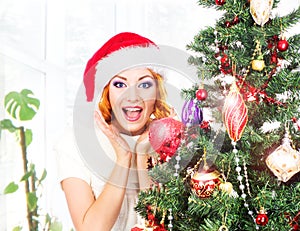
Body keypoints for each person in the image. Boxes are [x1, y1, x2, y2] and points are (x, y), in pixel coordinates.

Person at [56, 32, 172, 231]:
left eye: (144, 84)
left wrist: (142, 154)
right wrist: (124, 158)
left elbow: (162, 224)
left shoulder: (170, 140)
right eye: (120, 84)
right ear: (106, 92)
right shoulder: (74, 142)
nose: (133, 96)